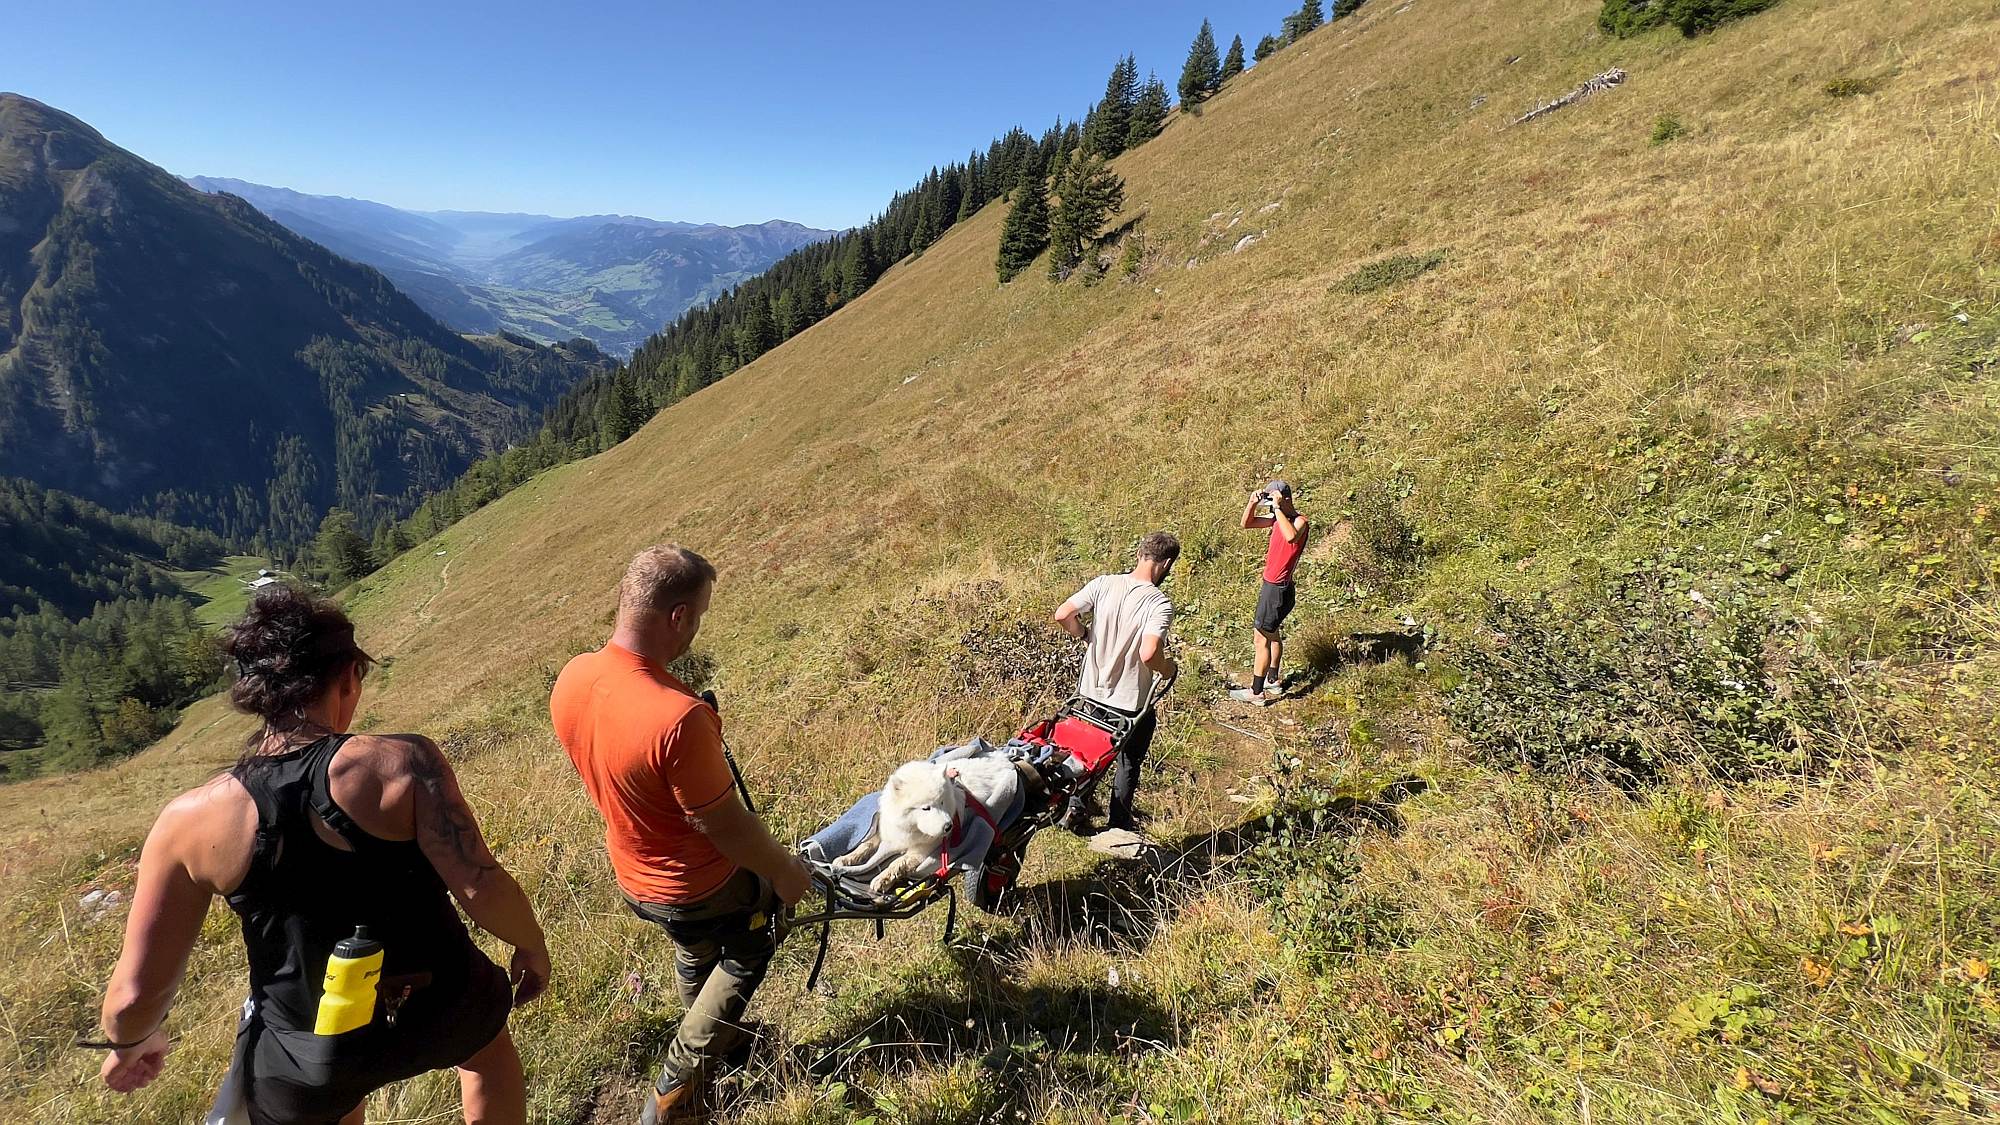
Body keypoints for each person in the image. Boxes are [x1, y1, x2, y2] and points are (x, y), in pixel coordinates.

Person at [95, 587, 550, 1125]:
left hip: (307, 1049)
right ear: (348, 676)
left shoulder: (189, 821)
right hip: (443, 1001)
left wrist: (132, 1041)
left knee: (332, 1101)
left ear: (256, 696)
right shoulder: (402, 763)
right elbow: (481, 883)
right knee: (488, 1058)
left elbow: (131, 997)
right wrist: (530, 945)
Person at [549, 545, 813, 1124]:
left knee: (694, 946)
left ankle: (713, 1037)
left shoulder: (573, 678)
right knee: (751, 942)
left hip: (633, 875)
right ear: (676, 618)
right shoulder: (677, 717)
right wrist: (785, 873)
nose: (696, 628)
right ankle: (679, 1084)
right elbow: (726, 826)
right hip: (695, 883)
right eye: (698, 616)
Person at [1052, 532, 1181, 835]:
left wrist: (1085, 635)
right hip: (1129, 702)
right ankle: (1119, 822)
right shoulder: (1158, 603)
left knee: (1084, 754)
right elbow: (1149, 653)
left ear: (1139, 554)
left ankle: (1073, 809)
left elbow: (1063, 614)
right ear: (1166, 563)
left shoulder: (1103, 583)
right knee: (1128, 762)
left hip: (1089, 692)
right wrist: (1167, 668)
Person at [1232, 480, 1310, 706]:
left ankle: (1256, 692)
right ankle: (1273, 680)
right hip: (1274, 587)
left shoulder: (1299, 521)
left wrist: (1277, 507)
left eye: (1273, 498)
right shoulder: (1277, 519)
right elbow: (1247, 524)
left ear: (1286, 499)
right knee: (1272, 634)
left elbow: (1291, 537)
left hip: (1277, 589)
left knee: (1261, 638)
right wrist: (1252, 504)